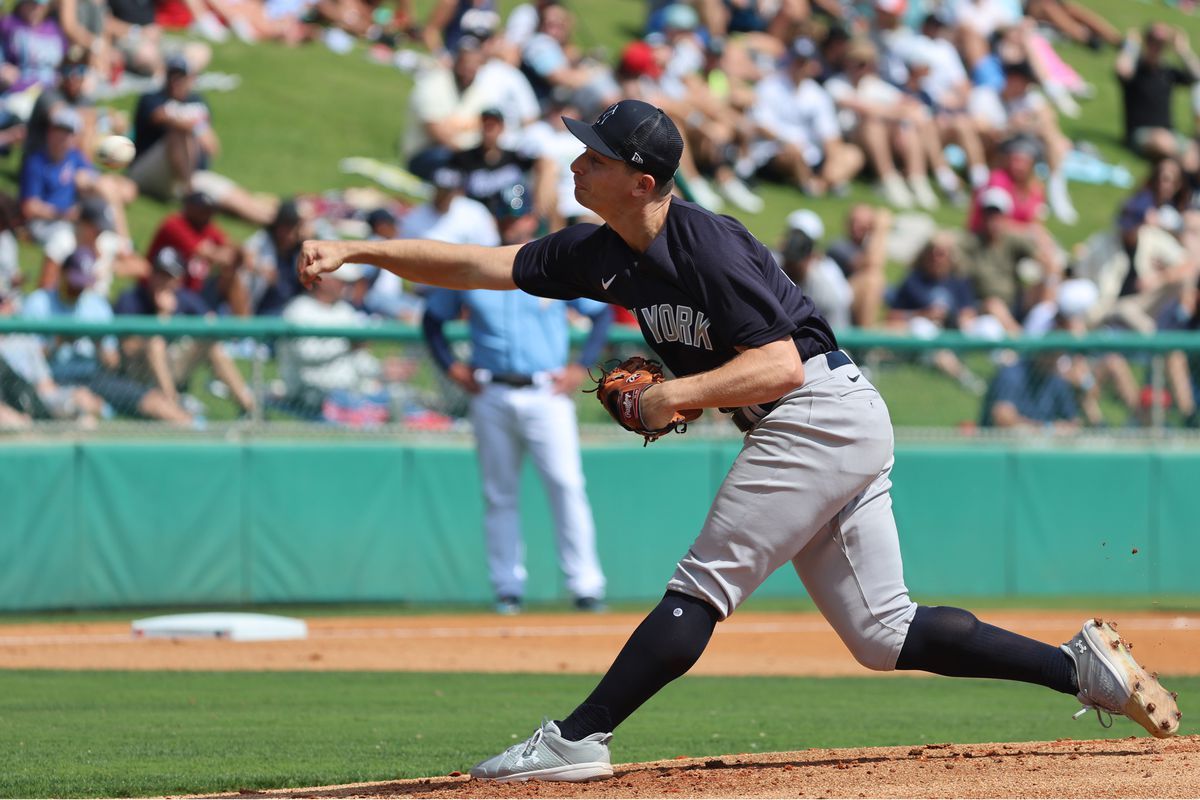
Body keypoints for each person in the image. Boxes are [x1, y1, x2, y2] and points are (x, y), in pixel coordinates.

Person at [298, 99, 1180, 782]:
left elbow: (779, 368)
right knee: (883, 632)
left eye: (595, 155)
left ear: (641, 180)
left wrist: (679, 392)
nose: (576, 160)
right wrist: (362, 251)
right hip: (827, 419)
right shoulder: (602, 250)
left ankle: (579, 737)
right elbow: (483, 265)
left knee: (705, 583)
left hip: (816, 410)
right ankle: (1079, 671)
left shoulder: (706, 246)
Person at [422, 186, 612, 614]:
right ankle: (507, 586)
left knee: (566, 485)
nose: (513, 224)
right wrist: (451, 365)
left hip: (546, 391)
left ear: (533, 219)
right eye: (506, 218)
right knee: (499, 493)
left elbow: (601, 315)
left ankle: (586, 585)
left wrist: (582, 364)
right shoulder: (478, 266)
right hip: (491, 390)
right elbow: (432, 319)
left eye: (520, 217)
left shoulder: (555, 265)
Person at [114, 246, 256, 416]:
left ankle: (249, 408)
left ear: (178, 279)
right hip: (138, 372)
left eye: (169, 276)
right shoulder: (131, 299)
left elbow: (212, 323)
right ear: (151, 274)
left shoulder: (184, 298)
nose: (163, 281)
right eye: (160, 274)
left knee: (211, 344)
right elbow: (127, 348)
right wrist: (162, 319)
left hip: (174, 364)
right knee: (155, 344)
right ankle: (173, 406)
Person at [1116, 23, 1200, 170]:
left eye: (1161, 44)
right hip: (1140, 134)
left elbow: (1196, 75)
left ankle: (1187, 166)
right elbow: (1121, 70)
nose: (1157, 48)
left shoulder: (1168, 72)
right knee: (1162, 141)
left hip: (1170, 134)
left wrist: (1182, 51)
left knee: (1188, 147)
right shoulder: (1136, 69)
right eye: (1153, 42)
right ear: (1146, 42)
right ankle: (1185, 164)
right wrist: (1131, 46)